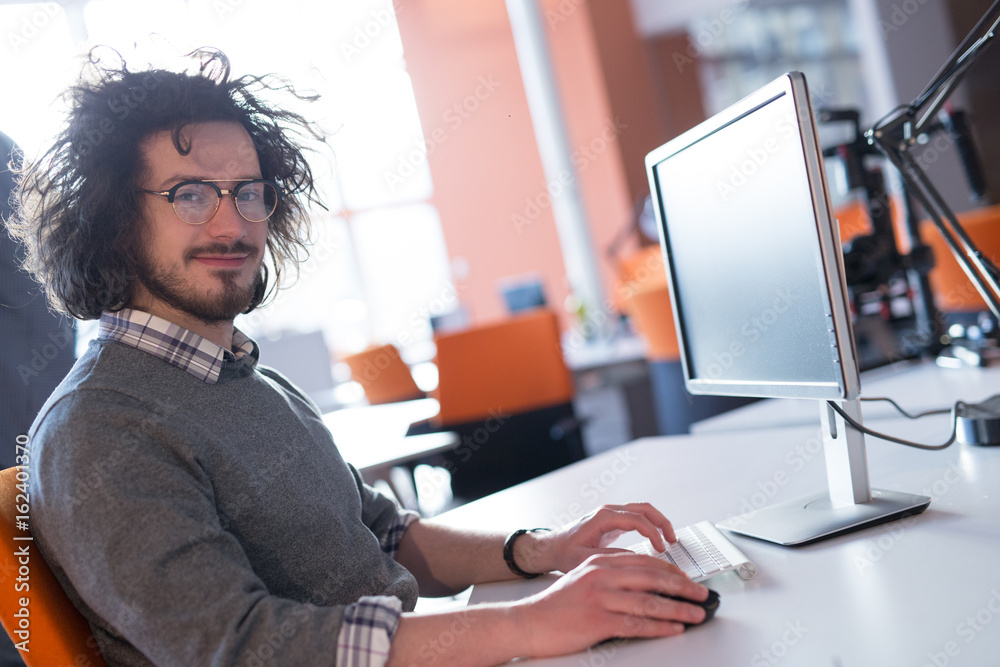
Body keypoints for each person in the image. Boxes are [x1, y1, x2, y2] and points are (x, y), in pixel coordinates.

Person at [9, 49, 709, 666]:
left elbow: (385, 532)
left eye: (248, 192)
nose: (232, 221)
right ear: (113, 221)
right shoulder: (96, 431)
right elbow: (242, 648)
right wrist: (529, 623)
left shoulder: (256, 380)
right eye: (190, 194)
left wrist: (540, 551)